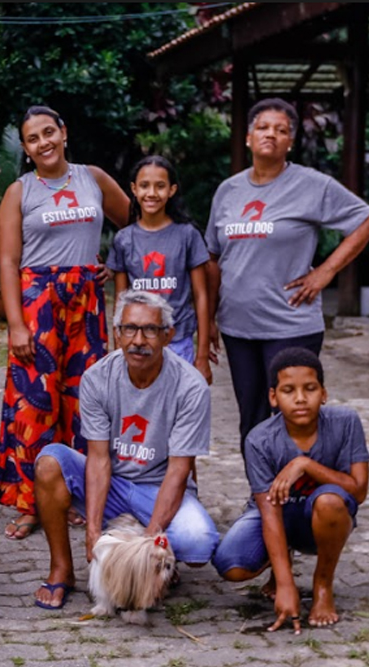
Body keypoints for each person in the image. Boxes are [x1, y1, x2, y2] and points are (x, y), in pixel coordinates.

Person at [32, 290, 219, 609]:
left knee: (199, 544)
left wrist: (148, 544)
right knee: (49, 462)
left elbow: (179, 469)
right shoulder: (97, 378)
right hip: (115, 483)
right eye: (129, 329)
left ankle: (159, 559)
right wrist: (92, 531)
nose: (138, 340)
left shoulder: (190, 386)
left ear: (168, 335)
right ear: (116, 333)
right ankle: (62, 569)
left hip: (157, 486)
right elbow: (99, 458)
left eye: (150, 330)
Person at [206, 97, 369, 456]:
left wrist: (326, 272)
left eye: (281, 130)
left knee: (294, 416)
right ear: (248, 137)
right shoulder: (228, 190)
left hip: (291, 324)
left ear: (290, 141)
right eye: (263, 128)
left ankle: (300, 496)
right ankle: (261, 498)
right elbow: (214, 257)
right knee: (252, 418)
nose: (271, 135)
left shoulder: (312, 185)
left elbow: (364, 220)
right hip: (238, 326)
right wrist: (210, 318)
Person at [0, 105, 130, 539]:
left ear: (64, 131)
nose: (43, 143)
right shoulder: (19, 192)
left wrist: (115, 262)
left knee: (84, 401)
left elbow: (136, 223)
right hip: (39, 304)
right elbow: (8, 260)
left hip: (86, 303)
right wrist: (16, 324)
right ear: (27, 148)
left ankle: (73, 494)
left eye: (49, 132)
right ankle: (33, 502)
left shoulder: (92, 178)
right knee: (34, 403)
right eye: (33, 138)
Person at [213, 347, 368, 634]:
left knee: (331, 501)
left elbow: (358, 491)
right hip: (276, 515)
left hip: (322, 518)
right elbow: (269, 511)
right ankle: (279, 566)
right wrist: (286, 584)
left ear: (323, 393)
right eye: (288, 390)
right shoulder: (259, 439)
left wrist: (305, 464)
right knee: (232, 565)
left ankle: (323, 584)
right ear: (273, 396)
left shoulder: (345, 423)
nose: (300, 398)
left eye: (310, 389)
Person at [107, 155, 211, 383]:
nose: (152, 193)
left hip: (178, 340)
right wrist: (119, 350)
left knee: (177, 410)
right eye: (144, 185)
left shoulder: (187, 235)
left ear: (172, 190)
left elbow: (201, 295)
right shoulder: (124, 239)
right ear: (134, 189)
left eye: (160, 186)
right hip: (137, 342)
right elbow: (121, 301)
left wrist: (202, 355)